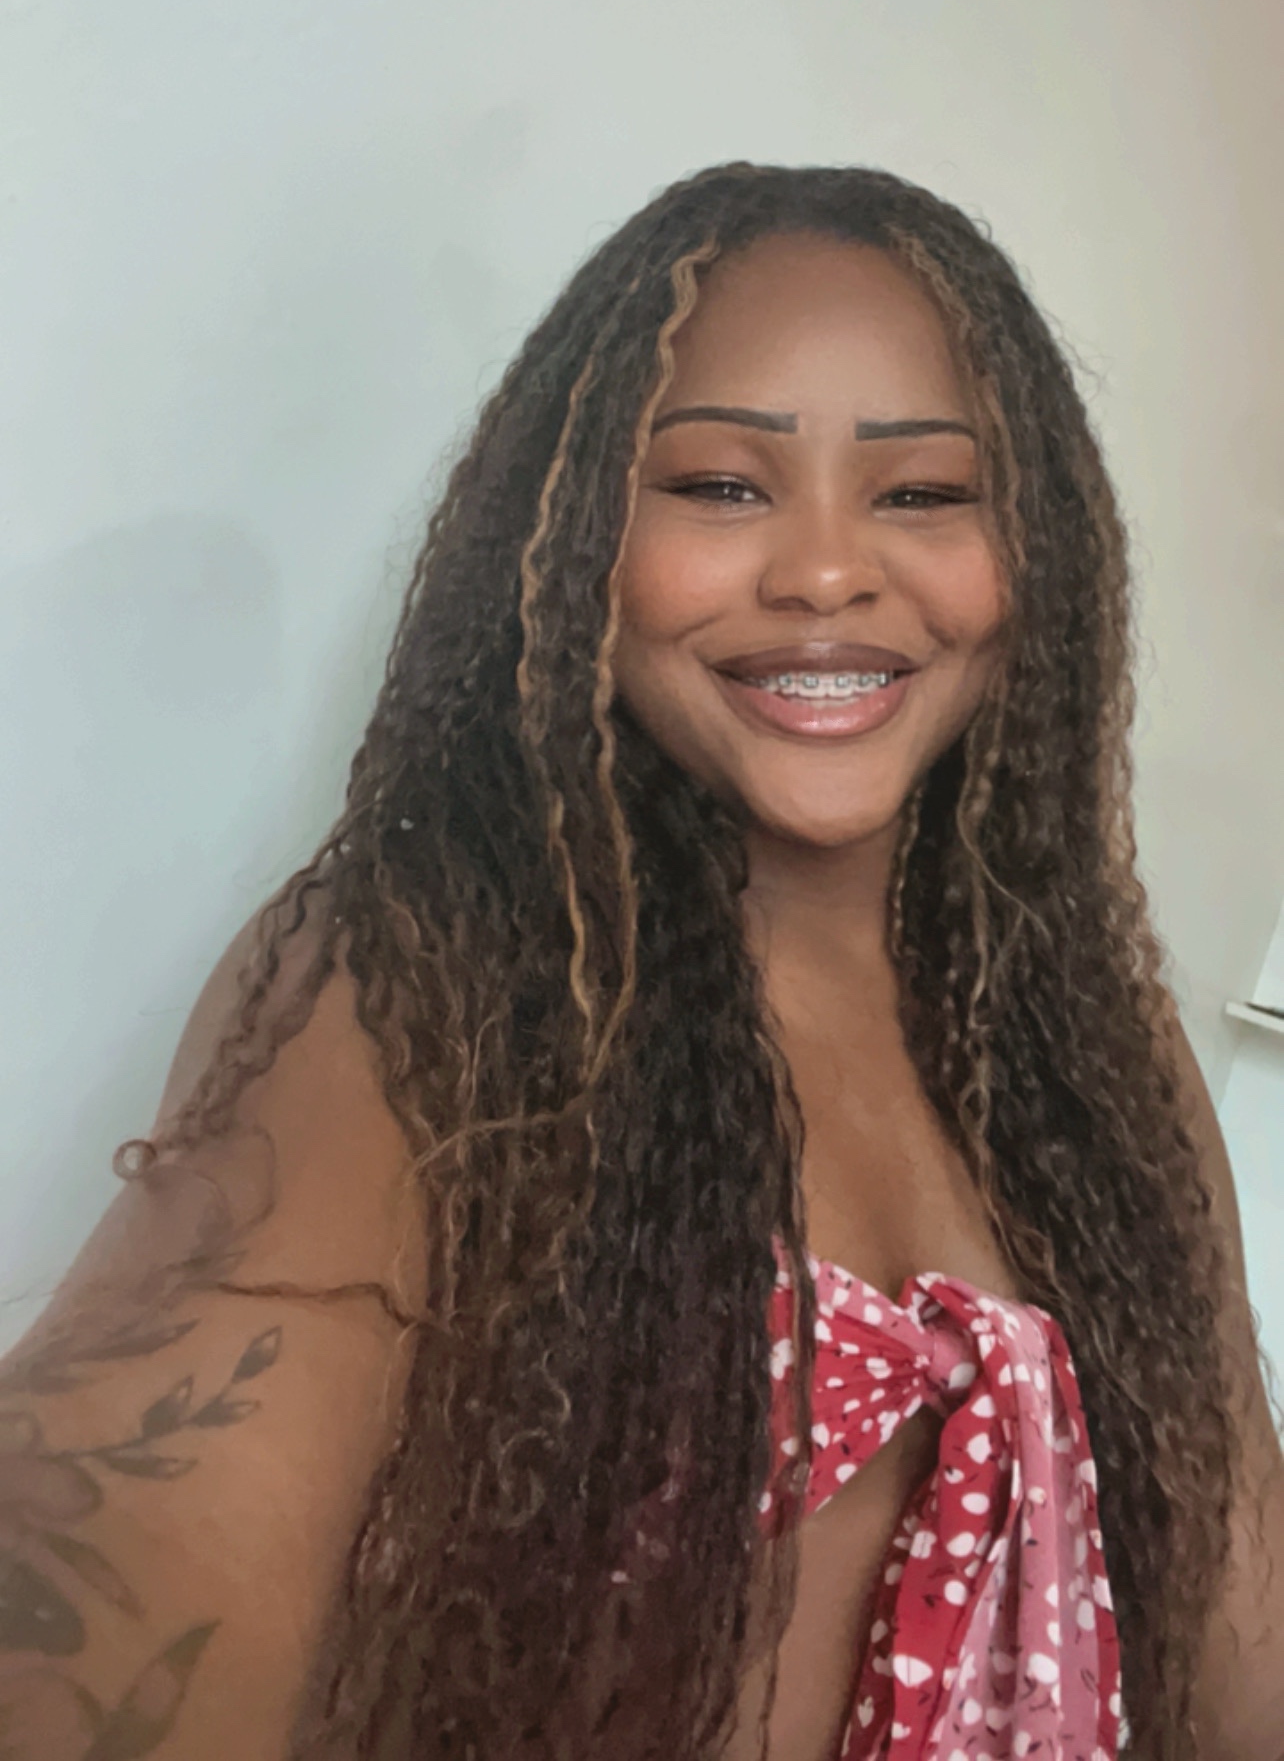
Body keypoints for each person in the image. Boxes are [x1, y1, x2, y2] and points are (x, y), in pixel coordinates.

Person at [2, 163, 1281, 1761]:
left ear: (1039, 550)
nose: (826, 571)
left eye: (923, 493)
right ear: (571, 538)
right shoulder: (434, 986)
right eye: (722, 485)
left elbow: (1239, 1608)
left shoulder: (1093, 1034)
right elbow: (140, 1504)